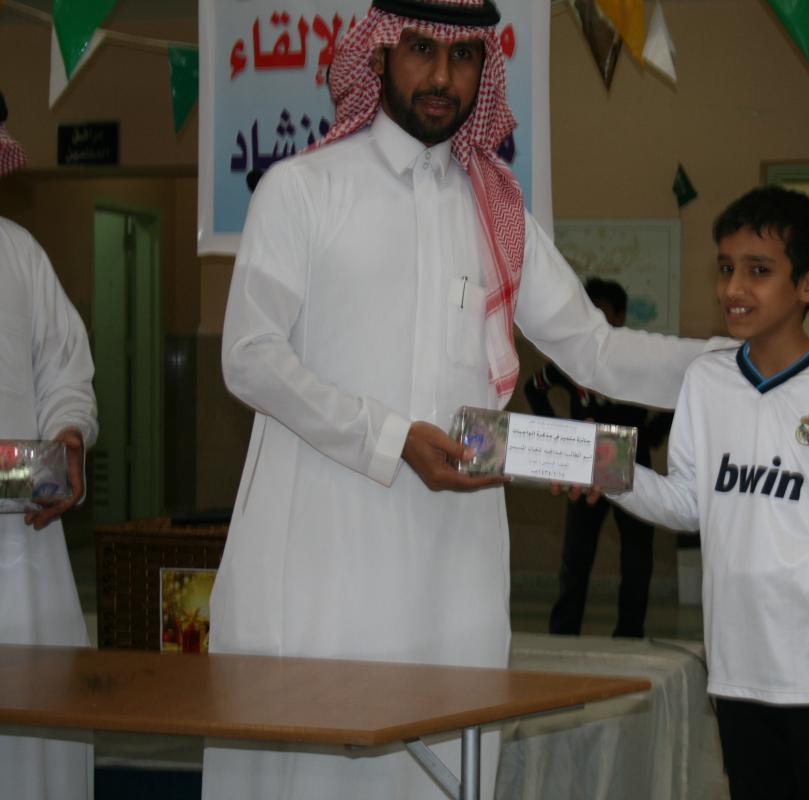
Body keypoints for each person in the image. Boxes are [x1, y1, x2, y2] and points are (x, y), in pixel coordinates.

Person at [203, 2, 712, 798]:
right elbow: (249, 357)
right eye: (421, 49)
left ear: (485, 67)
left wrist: (732, 364)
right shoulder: (302, 189)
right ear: (378, 56)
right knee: (314, 770)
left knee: (446, 760)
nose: (442, 76)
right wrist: (390, 437)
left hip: (453, 568)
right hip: (322, 555)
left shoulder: (497, 209)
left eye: (465, 56)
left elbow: (596, 350)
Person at [606, 187, 809, 799]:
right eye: (726, 268)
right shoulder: (706, 380)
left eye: (758, 270)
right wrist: (608, 474)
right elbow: (689, 504)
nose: (733, 288)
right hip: (738, 675)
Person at [0, 90, 98, 800]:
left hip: (23, 557)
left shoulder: (19, 255)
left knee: (35, 753)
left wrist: (68, 438)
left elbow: (65, 370)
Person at [525, 277, 673, 638]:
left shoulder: (637, 358)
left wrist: (653, 433)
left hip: (632, 459)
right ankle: (564, 631)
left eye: (604, 315)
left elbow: (679, 396)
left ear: (620, 317)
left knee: (636, 557)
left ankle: (629, 633)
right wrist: (561, 432)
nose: (596, 322)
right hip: (587, 457)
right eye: (589, 313)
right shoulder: (572, 359)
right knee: (576, 554)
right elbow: (533, 388)